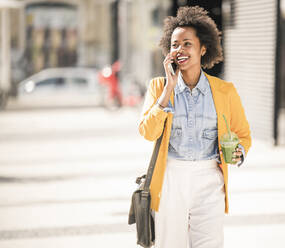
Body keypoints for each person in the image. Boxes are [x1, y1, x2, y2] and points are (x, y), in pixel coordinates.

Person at [139, 6, 251, 248]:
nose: (179, 49)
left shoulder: (225, 91)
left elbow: (242, 133)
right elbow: (148, 132)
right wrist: (169, 87)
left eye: (187, 44)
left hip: (210, 178)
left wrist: (240, 150)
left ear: (203, 48)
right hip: (171, 177)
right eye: (174, 45)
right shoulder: (158, 87)